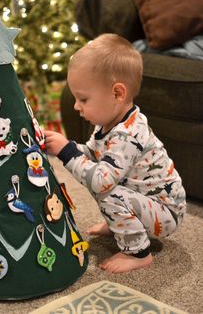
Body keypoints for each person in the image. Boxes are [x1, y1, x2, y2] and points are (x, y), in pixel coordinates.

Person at [44, 33, 186, 273]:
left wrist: (66, 151)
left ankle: (138, 252)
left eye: (83, 99)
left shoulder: (128, 134)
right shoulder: (109, 123)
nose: (76, 106)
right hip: (148, 201)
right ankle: (121, 223)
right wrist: (64, 146)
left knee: (108, 192)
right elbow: (91, 155)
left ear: (117, 94)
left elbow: (101, 181)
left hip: (166, 212)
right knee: (104, 181)